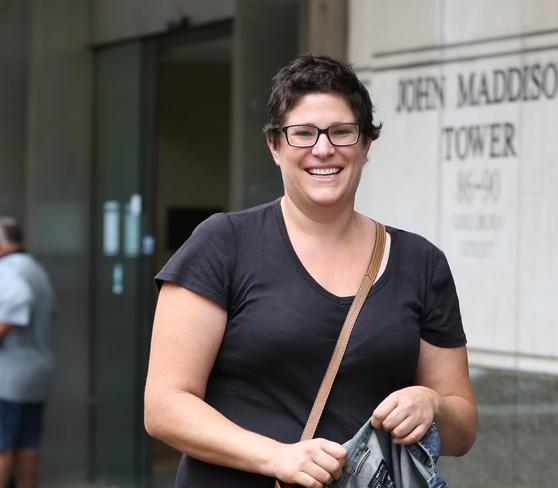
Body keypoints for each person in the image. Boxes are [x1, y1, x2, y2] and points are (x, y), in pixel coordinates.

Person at [144, 54, 477, 488]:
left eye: (342, 132)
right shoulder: (223, 243)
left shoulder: (420, 262)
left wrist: (431, 404)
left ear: (366, 144)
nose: (323, 149)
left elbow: (462, 429)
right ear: (275, 146)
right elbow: (165, 406)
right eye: (303, 134)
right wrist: (276, 457)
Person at [0, 217, 56, 488]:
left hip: (8, 378)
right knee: (27, 447)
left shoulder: (7, 269)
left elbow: (19, 299)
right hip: (37, 373)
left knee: (2, 448)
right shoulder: (35, 268)